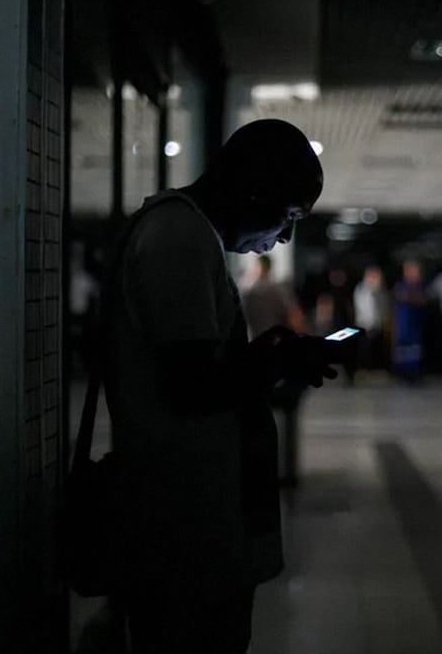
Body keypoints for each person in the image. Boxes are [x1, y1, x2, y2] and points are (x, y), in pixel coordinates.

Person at [99, 119, 335, 653]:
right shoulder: (177, 238)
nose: (287, 235)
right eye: (290, 214)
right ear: (255, 189)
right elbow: (190, 385)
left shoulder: (185, 233)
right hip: (183, 528)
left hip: (196, 522)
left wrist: (273, 355)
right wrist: (274, 361)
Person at [239, 254, 310, 487]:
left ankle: (258, 471)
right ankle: (285, 471)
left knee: (255, 418)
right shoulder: (278, 291)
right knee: (285, 416)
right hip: (276, 357)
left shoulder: (246, 290)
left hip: (250, 359)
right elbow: (295, 321)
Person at [391, 259, 427, 382]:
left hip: (415, 325)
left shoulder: (420, 286)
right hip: (403, 325)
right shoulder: (401, 285)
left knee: (414, 350)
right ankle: (402, 373)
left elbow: (421, 300)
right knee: (402, 350)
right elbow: (402, 297)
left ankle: (414, 373)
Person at [352, 265, 390, 373]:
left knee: (377, 347)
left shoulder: (381, 290)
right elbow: (364, 308)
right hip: (365, 323)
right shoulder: (362, 290)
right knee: (365, 347)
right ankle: (364, 368)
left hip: (378, 324)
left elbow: (384, 306)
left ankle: (375, 368)